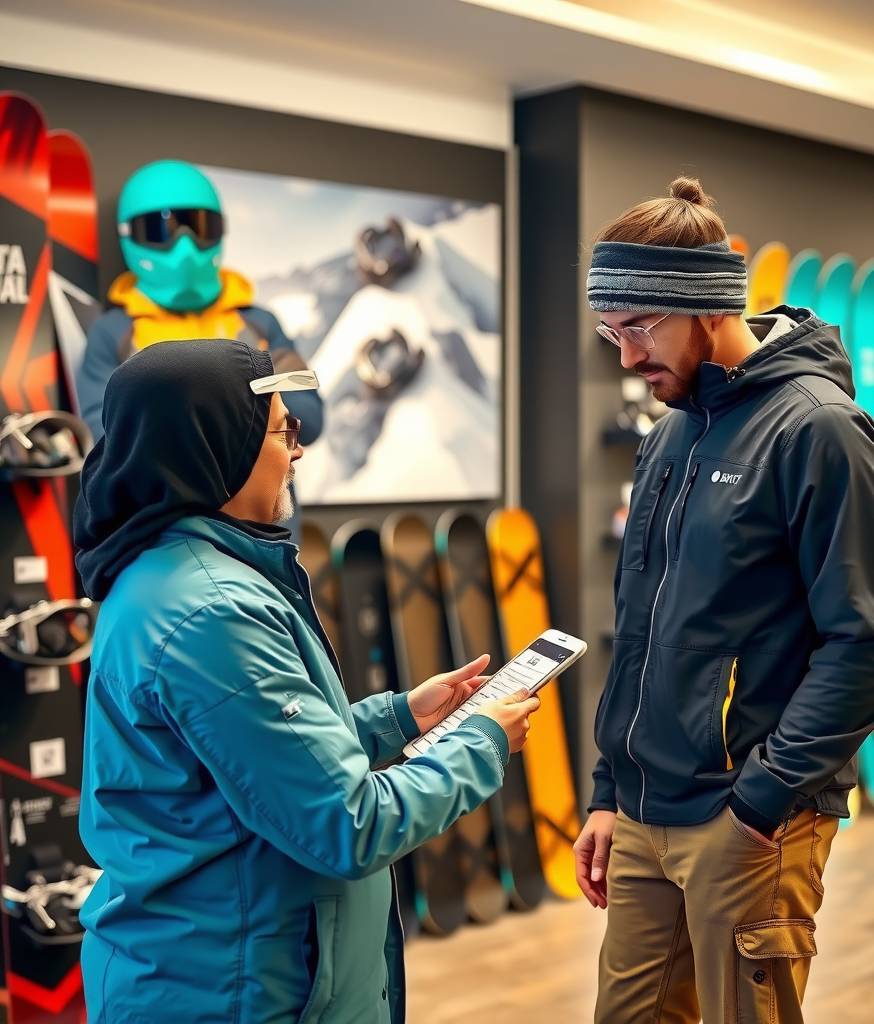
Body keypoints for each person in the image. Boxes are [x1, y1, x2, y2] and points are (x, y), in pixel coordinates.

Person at [73, 338, 538, 1023]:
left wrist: (399, 719)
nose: (297, 451)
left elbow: (250, 763)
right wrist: (483, 743)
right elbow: (349, 824)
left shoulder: (169, 574)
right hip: (234, 991)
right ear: (217, 446)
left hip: (226, 969)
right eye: (281, 431)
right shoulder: (213, 611)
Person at [573, 177, 874, 1024]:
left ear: (708, 305)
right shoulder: (668, 436)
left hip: (748, 818)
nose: (626, 358)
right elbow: (641, 631)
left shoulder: (820, 429)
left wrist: (763, 799)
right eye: (611, 332)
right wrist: (611, 789)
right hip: (644, 812)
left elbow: (869, 644)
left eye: (640, 327)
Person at [76, 159, 322, 537]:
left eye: (200, 226)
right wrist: (254, 399)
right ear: (130, 236)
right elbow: (111, 442)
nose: (185, 246)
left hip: (267, 524)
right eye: (162, 229)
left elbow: (310, 421)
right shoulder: (114, 333)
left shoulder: (259, 323)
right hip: (165, 529)